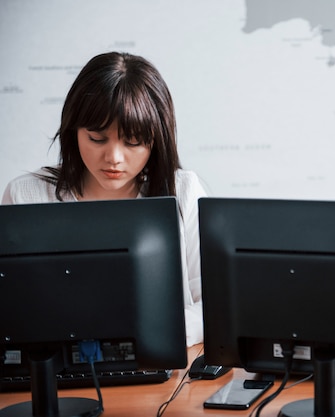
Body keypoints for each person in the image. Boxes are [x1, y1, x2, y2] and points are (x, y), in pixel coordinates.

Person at [2, 51, 206, 346]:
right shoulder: (25, 195)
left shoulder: (183, 191)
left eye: (133, 141)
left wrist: (165, 332)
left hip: (163, 372)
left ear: (156, 140)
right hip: (54, 373)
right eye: (97, 138)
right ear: (73, 132)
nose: (114, 158)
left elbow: (213, 303)